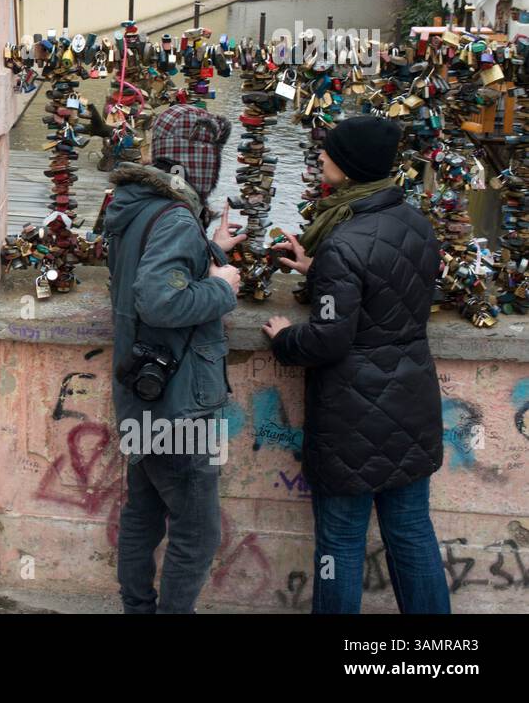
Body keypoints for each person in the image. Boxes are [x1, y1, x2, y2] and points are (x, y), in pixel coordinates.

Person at [264, 115, 448, 614]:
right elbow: (387, 290)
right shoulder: (415, 223)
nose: (320, 158)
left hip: (351, 418)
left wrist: (283, 338)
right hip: (412, 404)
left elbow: (328, 339)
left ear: (348, 167)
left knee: (340, 545)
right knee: (411, 534)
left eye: (327, 153)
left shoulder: (344, 242)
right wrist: (317, 268)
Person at [104, 104, 244, 613]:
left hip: (142, 390)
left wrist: (211, 248)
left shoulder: (137, 205)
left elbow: (149, 273)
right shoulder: (177, 219)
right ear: (197, 162)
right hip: (180, 403)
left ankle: (137, 608)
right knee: (198, 533)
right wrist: (223, 288)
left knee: (143, 511)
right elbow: (161, 300)